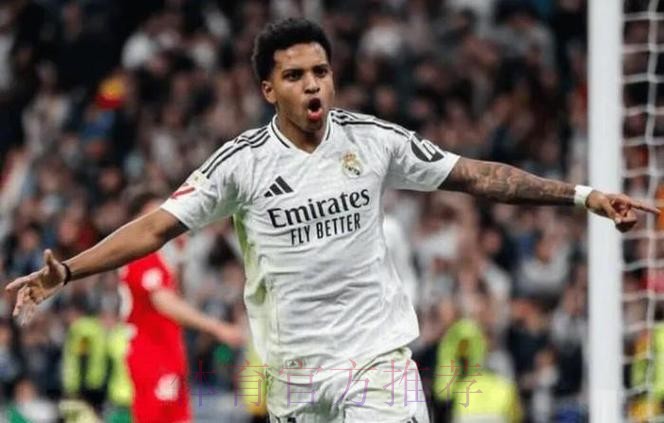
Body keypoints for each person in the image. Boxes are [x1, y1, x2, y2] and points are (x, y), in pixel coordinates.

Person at [5, 18, 658, 423]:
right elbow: (156, 227)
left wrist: (581, 195)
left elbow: (476, 175)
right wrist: (68, 271)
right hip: (292, 377)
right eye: (295, 75)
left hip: (376, 362)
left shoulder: (373, 141)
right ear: (269, 90)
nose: (313, 84)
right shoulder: (241, 164)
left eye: (321, 71)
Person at [119, 192, 244, 422]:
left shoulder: (163, 261)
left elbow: (178, 298)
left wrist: (180, 261)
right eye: (154, 215)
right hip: (151, 356)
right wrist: (217, 327)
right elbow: (165, 303)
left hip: (169, 353)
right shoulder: (140, 257)